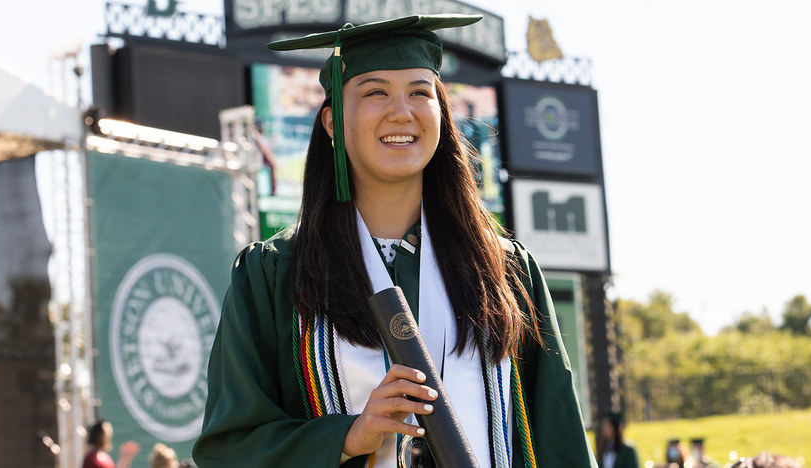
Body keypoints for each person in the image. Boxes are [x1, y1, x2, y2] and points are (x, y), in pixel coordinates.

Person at [192, 13, 597, 468]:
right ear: (331, 121)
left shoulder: (504, 270)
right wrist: (348, 436)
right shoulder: (275, 274)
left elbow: (561, 442)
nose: (402, 111)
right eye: (375, 92)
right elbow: (229, 449)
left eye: (420, 93)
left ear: (442, 114)